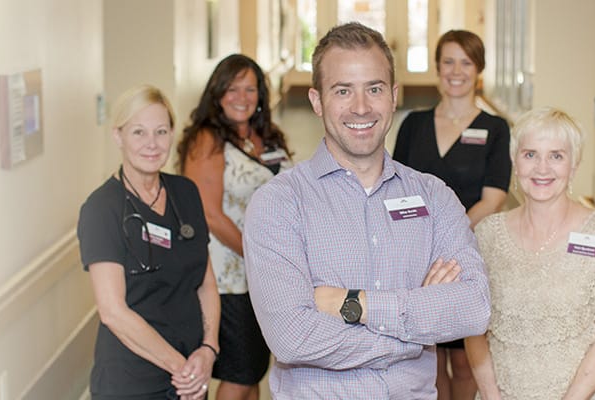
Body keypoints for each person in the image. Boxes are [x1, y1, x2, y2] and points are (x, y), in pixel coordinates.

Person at [242, 22, 491, 398]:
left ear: (393, 96)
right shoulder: (279, 203)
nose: (361, 107)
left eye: (374, 89)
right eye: (343, 91)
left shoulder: (434, 196)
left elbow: (473, 308)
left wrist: (353, 304)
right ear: (317, 100)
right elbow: (292, 337)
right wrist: (412, 337)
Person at [465, 108, 595, 400]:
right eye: (530, 154)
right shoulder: (487, 235)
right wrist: (492, 396)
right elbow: (474, 328)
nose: (542, 168)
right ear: (515, 162)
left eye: (556, 156)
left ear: (574, 166)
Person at [389, 29, 511, 400]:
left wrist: (446, 239)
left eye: (466, 62)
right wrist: (421, 246)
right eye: (448, 62)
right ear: (437, 67)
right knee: (428, 357)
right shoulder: (414, 125)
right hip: (416, 258)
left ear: (479, 70)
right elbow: (395, 188)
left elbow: (493, 199)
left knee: (463, 359)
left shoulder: (495, 129)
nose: (455, 71)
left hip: (468, 256)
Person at [78, 85, 221, 400]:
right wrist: (182, 369)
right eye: (139, 132)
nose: (152, 144)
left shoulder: (186, 193)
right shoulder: (103, 209)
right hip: (133, 381)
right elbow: (113, 311)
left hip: (192, 372)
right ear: (118, 136)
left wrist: (209, 349)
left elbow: (206, 283)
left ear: (172, 134)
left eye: (161, 131)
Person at [176, 54, 291, 400]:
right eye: (232, 88)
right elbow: (208, 213)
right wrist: (256, 254)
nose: (241, 97)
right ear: (217, 93)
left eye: (250, 89)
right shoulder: (207, 139)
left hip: (263, 274)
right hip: (227, 277)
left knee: (255, 368)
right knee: (240, 374)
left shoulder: (264, 136)